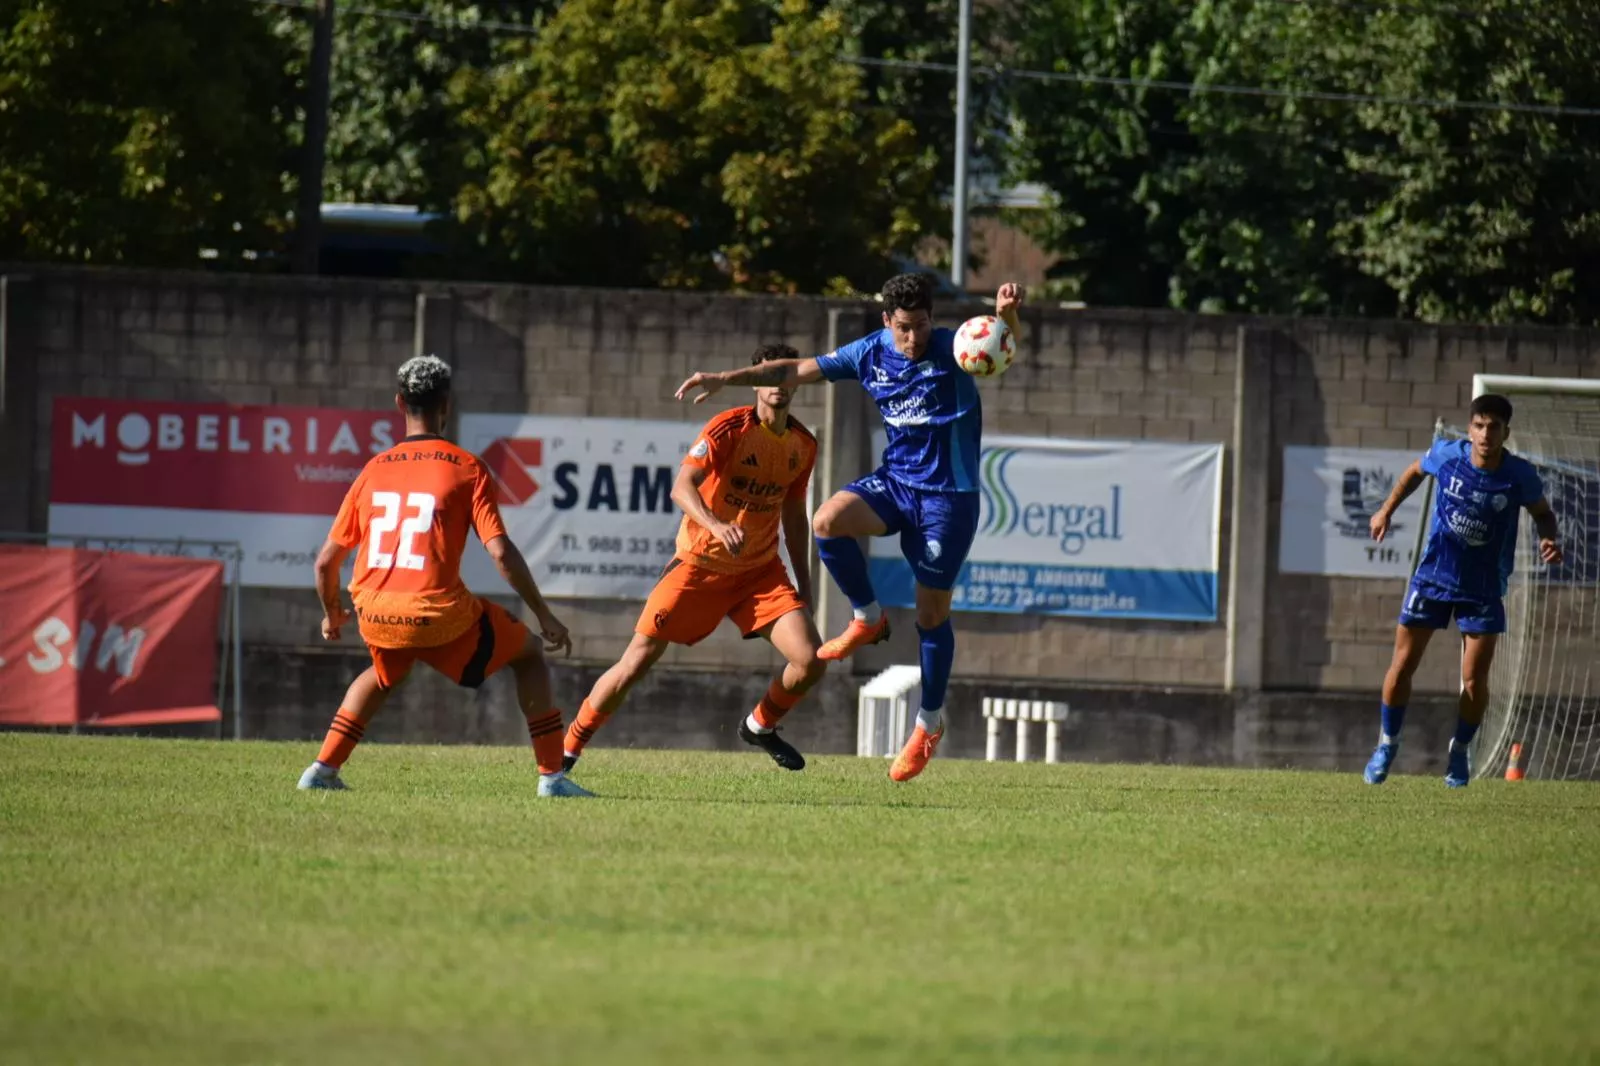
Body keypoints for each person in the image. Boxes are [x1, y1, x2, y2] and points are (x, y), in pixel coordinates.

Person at [675, 273, 1024, 782]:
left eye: (922, 325)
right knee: (828, 521)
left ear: (933, 320)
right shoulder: (869, 352)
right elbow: (793, 369)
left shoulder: (953, 347)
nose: (913, 338)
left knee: (931, 615)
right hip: (896, 484)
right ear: (887, 321)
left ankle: (928, 724)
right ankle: (867, 617)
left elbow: (998, 347)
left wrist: (1006, 317)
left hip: (948, 499)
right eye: (904, 327)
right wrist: (724, 379)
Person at [298, 355, 593, 798]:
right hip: (437, 613)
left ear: (400, 403)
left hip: (375, 611)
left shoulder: (373, 469)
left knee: (384, 672)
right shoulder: (467, 467)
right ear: (447, 405)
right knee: (529, 654)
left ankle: (321, 770)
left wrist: (332, 613)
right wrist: (544, 614)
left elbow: (325, 563)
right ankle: (552, 778)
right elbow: (501, 552)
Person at [563, 344, 824, 771]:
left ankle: (759, 726)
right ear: (754, 383)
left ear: (796, 384)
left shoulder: (803, 444)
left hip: (759, 573)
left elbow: (795, 516)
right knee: (636, 661)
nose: (777, 385)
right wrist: (717, 526)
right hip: (700, 566)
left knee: (810, 660)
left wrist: (805, 587)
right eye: (768, 376)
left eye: (786, 377)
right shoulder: (728, 428)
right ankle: (567, 750)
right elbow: (682, 487)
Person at [1363, 393, 1562, 788]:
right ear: (1470, 429)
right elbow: (1414, 471)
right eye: (1479, 426)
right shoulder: (1447, 455)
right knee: (1402, 666)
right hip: (1433, 577)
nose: (1485, 434)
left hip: (1483, 588)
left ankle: (1460, 750)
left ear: (1506, 432)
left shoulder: (1519, 475)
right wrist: (1386, 510)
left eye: (1494, 427)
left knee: (1473, 680)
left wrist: (1548, 538)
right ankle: (1386, 744)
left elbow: (1543, 513)